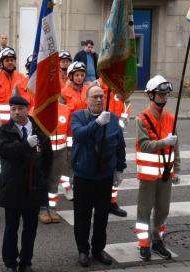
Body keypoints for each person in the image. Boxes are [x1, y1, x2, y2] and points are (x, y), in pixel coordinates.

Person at [0, 96, 52, 272]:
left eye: (20, 108)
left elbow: (48, 159)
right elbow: (5, 151)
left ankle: (26, 261)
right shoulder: (4, 131)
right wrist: (25, 144)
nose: (16, 112)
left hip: (33, 188)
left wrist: (42, 182)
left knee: (30, 228)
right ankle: (10, 262)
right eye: (13, 109)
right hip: (12, 187)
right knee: (11, 228)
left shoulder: (40, 131)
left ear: (28, 109)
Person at [71, 83, 126, 268]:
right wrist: (96, 123)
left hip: (104, 176)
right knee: (82, 216)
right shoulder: (78, 116)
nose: (99, 99)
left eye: (101, 96)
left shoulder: (113, 118)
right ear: (86, 99)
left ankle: (98, 249)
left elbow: (120, 145)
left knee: (102, 216)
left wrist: (120, 168)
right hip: (84, 175)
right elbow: (79, 135)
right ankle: (83, 250)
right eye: (94, 96)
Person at [134, 75, 180, 261]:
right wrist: (163, 142)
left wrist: (176, 169)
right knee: (144, 211)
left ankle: (157, 240)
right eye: (160, 94)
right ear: (151, 96)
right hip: (148, 175)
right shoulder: (142, 118)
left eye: (166, 94)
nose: (164, 97)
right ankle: (143, 244)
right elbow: (144, 145)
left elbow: (176, 146)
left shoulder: (170, 118)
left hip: (166, 174)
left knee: (163, 210)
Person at [0, 47, 25, 188]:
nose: (10, 62)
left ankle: (13, 175)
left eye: (12, 60)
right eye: (7, 60)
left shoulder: (22, 78)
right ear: (1, 62)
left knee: (15, 149)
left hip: (16, 122)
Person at [97, 76, 128, 218]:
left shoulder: (120, 89)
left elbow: (124, 112)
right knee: (99, 170)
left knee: (115, 169)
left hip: (117, 135)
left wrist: (122, 123)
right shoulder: (97, 88)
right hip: (101, 136)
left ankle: (112, 202)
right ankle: (99, 202)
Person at [38, 99, 71, 224]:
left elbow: (69, 131)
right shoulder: (38, 109)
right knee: (42, 180)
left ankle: (52, 208)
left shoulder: (65, 109)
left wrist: (68, 149)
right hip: (44, 152)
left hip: (60, 151)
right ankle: (42, 208)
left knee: (54, 180)